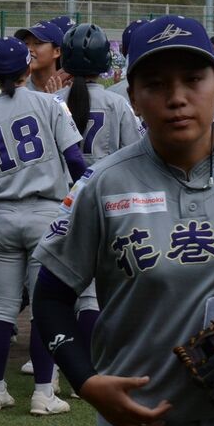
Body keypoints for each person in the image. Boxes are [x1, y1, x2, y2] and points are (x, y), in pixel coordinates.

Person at [32, 15, 214, 426]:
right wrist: (86, 381)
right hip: (143, 425)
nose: (177, 98)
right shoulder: (104, 184)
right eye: (156, 85)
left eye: (192, 80)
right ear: (132, 99)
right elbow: (51, 295)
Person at [0, 36, 86, 415]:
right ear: (26, 68)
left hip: (4, 216)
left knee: (1, 308)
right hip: (45, 215)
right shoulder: (50, 103)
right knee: (43, 310)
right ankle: (42, 394)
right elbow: (76, 161)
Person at [52, 23, 139, 358]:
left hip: (58, 201)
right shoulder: (116, 103)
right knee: (90, 294)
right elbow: (132, 153)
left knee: (54, 286)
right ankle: (89, 362)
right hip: (103, 200)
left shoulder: (51, 101)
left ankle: (45, 359)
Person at [15, 20, 65, 93]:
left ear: (57, 51)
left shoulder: (68, 87)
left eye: (37, 43)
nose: (28, 49)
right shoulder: (16, 87)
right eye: (26, 43)